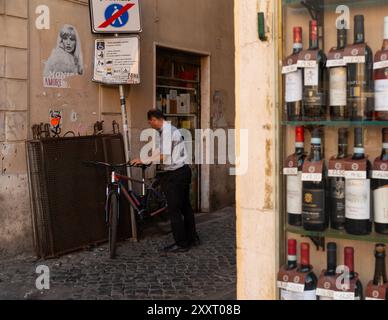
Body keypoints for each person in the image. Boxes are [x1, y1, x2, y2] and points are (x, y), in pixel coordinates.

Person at [132, 109, 200, 253]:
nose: (150, 124)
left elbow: (164, 156)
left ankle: (181, 243)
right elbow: (160, 151)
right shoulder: (168, 130)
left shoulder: (167, 131)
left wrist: (145, 159)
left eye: (150, 121)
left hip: (176, 174)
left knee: (174, 210)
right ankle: (192, 238)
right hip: (183, 171)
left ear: (155, 119)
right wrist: (146, 159)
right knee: (185, 207)